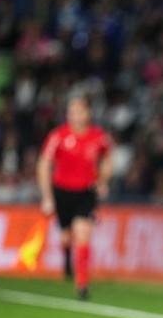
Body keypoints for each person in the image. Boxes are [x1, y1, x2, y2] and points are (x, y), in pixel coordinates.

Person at [37, 96, 113, 300]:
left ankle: (82, 284)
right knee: (66, 236)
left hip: (86, 192)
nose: (74, 116)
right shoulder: (58, 136)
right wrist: (47, 197)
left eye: (79, 111)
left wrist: (103, 180)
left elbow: (107, 159)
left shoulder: (99, 136)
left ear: (88, 113)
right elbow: (44, 164)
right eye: (71, 112)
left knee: (82, 232)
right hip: (62, 192)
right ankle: (67, 260)